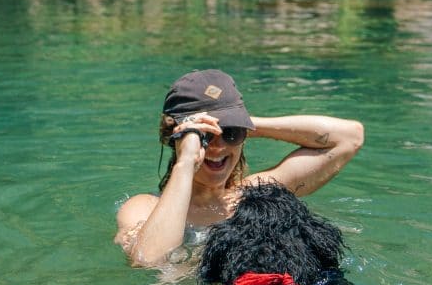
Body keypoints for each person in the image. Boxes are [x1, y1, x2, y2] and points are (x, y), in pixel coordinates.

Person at [116, 69, 364, 267]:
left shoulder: (259, 196)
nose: (217, 146)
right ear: (176, 140)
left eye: (230, 133)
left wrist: (243, 123)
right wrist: (186, 161)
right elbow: (148, 260)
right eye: (205, 135)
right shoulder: (144, 208)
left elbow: (349, 137)